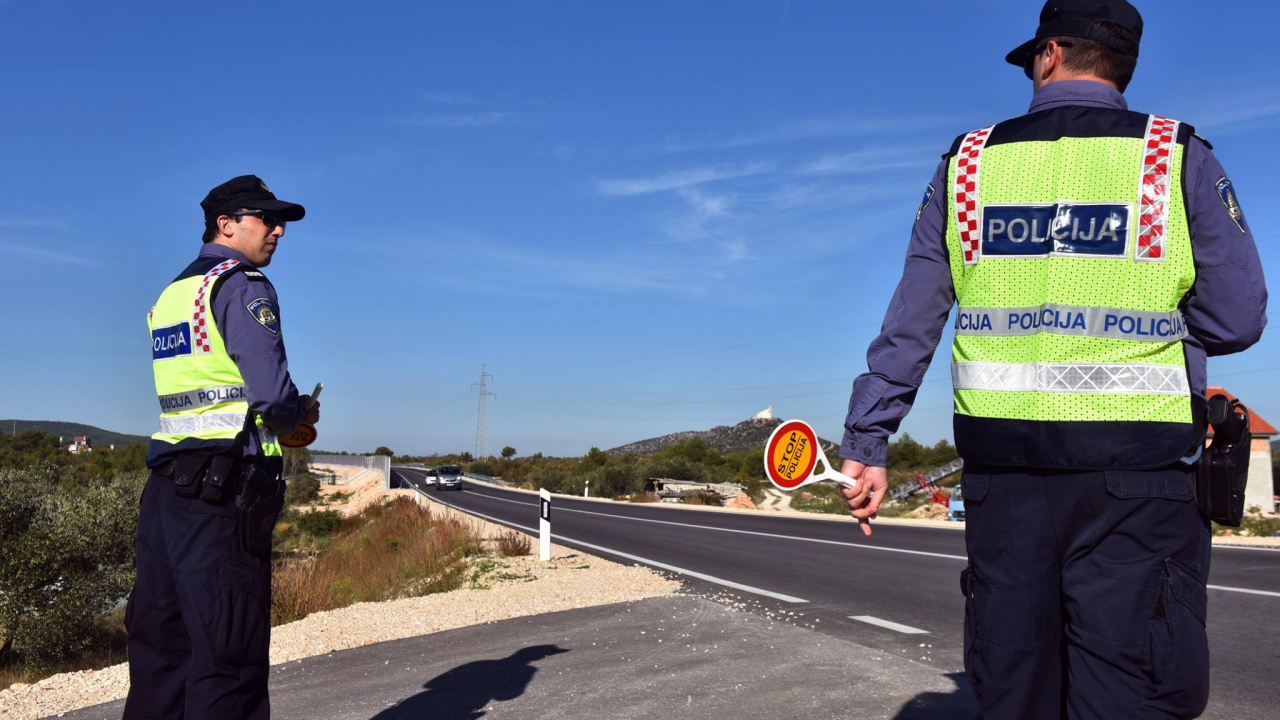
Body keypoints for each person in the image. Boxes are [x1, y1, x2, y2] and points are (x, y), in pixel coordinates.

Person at [837, 1, 1267, 717]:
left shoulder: (969, 163)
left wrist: (868, 439)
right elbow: (1237, 318)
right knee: (1131, 691)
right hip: (1140, 476)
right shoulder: (1176, 155)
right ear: (1122, 65)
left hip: (1006, 482)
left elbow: (913, 318)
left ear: (1051, 53)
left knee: (1017, 688)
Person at [125, 175, 321, 720]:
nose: (278, 230)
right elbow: (270, 394)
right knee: (227, 655)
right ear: (227, 224)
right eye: (266, 218)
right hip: (223, 494)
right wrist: (296, 417)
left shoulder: (169, 296)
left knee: (161, 653)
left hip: (165, 492)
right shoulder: (241, 284)